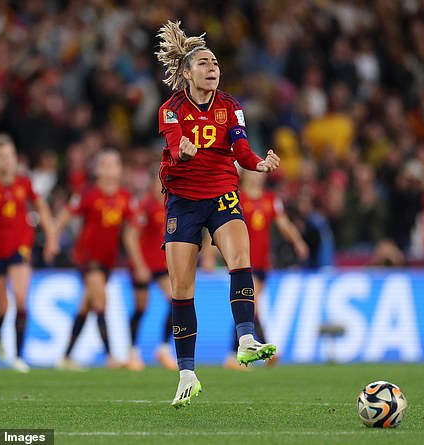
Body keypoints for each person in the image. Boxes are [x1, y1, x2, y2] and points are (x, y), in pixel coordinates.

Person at [155, 20, 281, 408]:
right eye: (204, 63)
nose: (212, 68)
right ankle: (187, 374)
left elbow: (241, 149)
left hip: (223, 193)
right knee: (181, 289)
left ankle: (245, 340)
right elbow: (174, 143)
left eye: (216, 63)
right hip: (183, 201)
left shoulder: (231, 107)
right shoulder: (171, 109)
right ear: (187, 72)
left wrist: (258, 164)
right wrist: (182, 152)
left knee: (241, 258)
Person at [0, 133, 59, 373]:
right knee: (2, 306)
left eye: (11, 155)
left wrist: (51, 238)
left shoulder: (23, 183)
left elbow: (41, 208)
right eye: (2, 156)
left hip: (20, 247)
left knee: (21, 298)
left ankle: (18, 356)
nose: (7, 161)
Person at [55, 149, 139, 370]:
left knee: (87, 305)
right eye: (107, 165)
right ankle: (110, 356)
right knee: (101, 301)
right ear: (98, 169)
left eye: (115, 164)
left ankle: (65, 357)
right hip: (87, 257)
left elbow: (132, 230)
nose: (111, 169)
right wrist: (53, 240)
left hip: (108, 260)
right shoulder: (88, 193)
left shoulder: (125, 196)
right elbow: (65, 215)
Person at [223, 169, 309, 370]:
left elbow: (284, 224)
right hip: (242, 261)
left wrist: (298, 242)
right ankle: (251, 353)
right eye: (253, 171)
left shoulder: (271, 199)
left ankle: (238, 354)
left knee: (248, 307)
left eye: (259, 171)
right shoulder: (236, 197)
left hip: (262, 263)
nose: (257, 175)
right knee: (250, 305)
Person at [123, 173, 177, 371]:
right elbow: (130, 237)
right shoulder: (145, 206)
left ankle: (163, 349)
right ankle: (132, 353)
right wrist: (139, 265)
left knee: (175, 302)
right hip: (143, 265)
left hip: (161, 265)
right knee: (141, 308)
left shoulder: (171, 205)